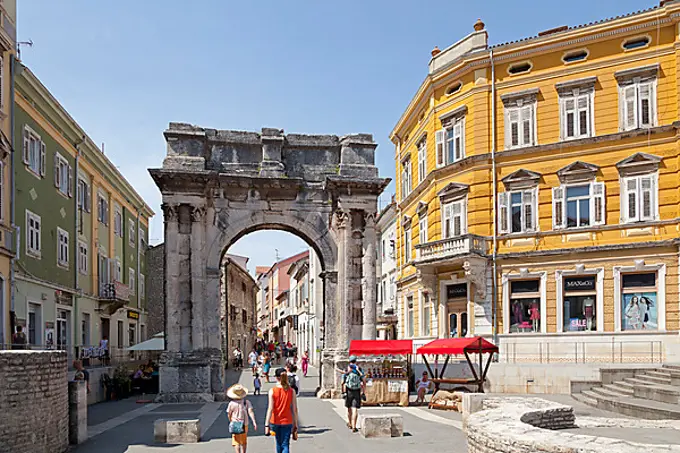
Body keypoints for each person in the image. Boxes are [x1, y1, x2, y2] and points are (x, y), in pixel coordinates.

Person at [265, 368, 299, 453]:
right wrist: (295, 424)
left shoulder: (272, 391)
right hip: (287, 421)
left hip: (275, 421)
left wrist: (266, 425)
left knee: (278, 442)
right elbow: (294, 409)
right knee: (285, 444)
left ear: (277, 378)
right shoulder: (292, 391)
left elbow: (270, 408)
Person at [227, 384, 257, 453]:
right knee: (243, 441)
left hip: (235, 423)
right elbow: (250, 412)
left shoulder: (231, 403)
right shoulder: (246, 402)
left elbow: (229, 414)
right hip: (244, 423)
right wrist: (254, 421)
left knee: (236, 441)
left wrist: (230, 420)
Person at [342, 356, 365, 433]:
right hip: (357, 391)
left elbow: (343, 382)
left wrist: (343, 392)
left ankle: (350, 423)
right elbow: (364, 381)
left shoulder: (347, 370)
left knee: (349, 408)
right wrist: (363, 392)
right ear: (356, 361)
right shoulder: (359, 370)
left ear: (349, 361)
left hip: (349, 391)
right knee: (355, 408)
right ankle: (354, 426)